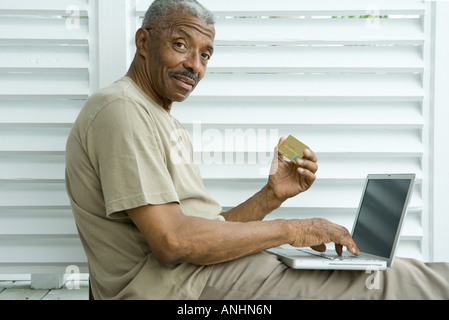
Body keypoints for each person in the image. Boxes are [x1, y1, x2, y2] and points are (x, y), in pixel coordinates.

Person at [65, 0, 449, 300]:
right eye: (181, 45)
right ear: (144, 42)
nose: (194, 66)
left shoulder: (161, 117)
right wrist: (293, 230)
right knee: (387, 283)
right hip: (176, 289)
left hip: (196, 276)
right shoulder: (122, 110)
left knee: (386, 275)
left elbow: (208, 232)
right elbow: (173, 243)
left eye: (206, 54)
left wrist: (270, 197)